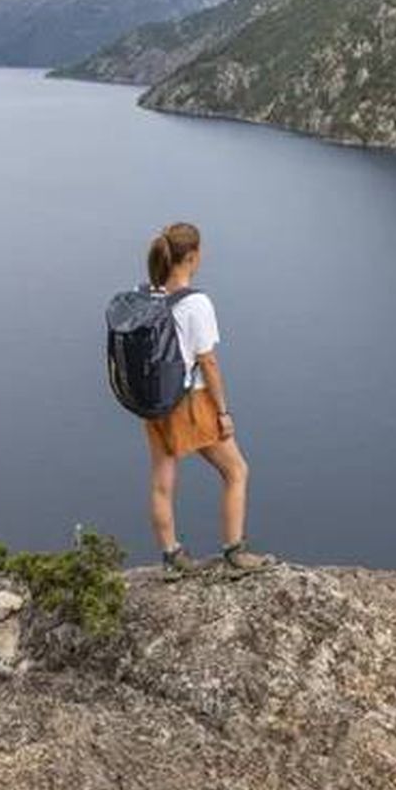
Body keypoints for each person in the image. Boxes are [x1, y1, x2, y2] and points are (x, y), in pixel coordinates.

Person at [141, 223, 274, 580]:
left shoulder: (149, 297)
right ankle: (234, 554)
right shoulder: (196, 303)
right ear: (192, 257)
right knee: (236, 471)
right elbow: (208, 362)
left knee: (161, 482)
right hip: (191, 402)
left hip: (156, 402)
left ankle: (171, 558)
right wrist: (223, 412)